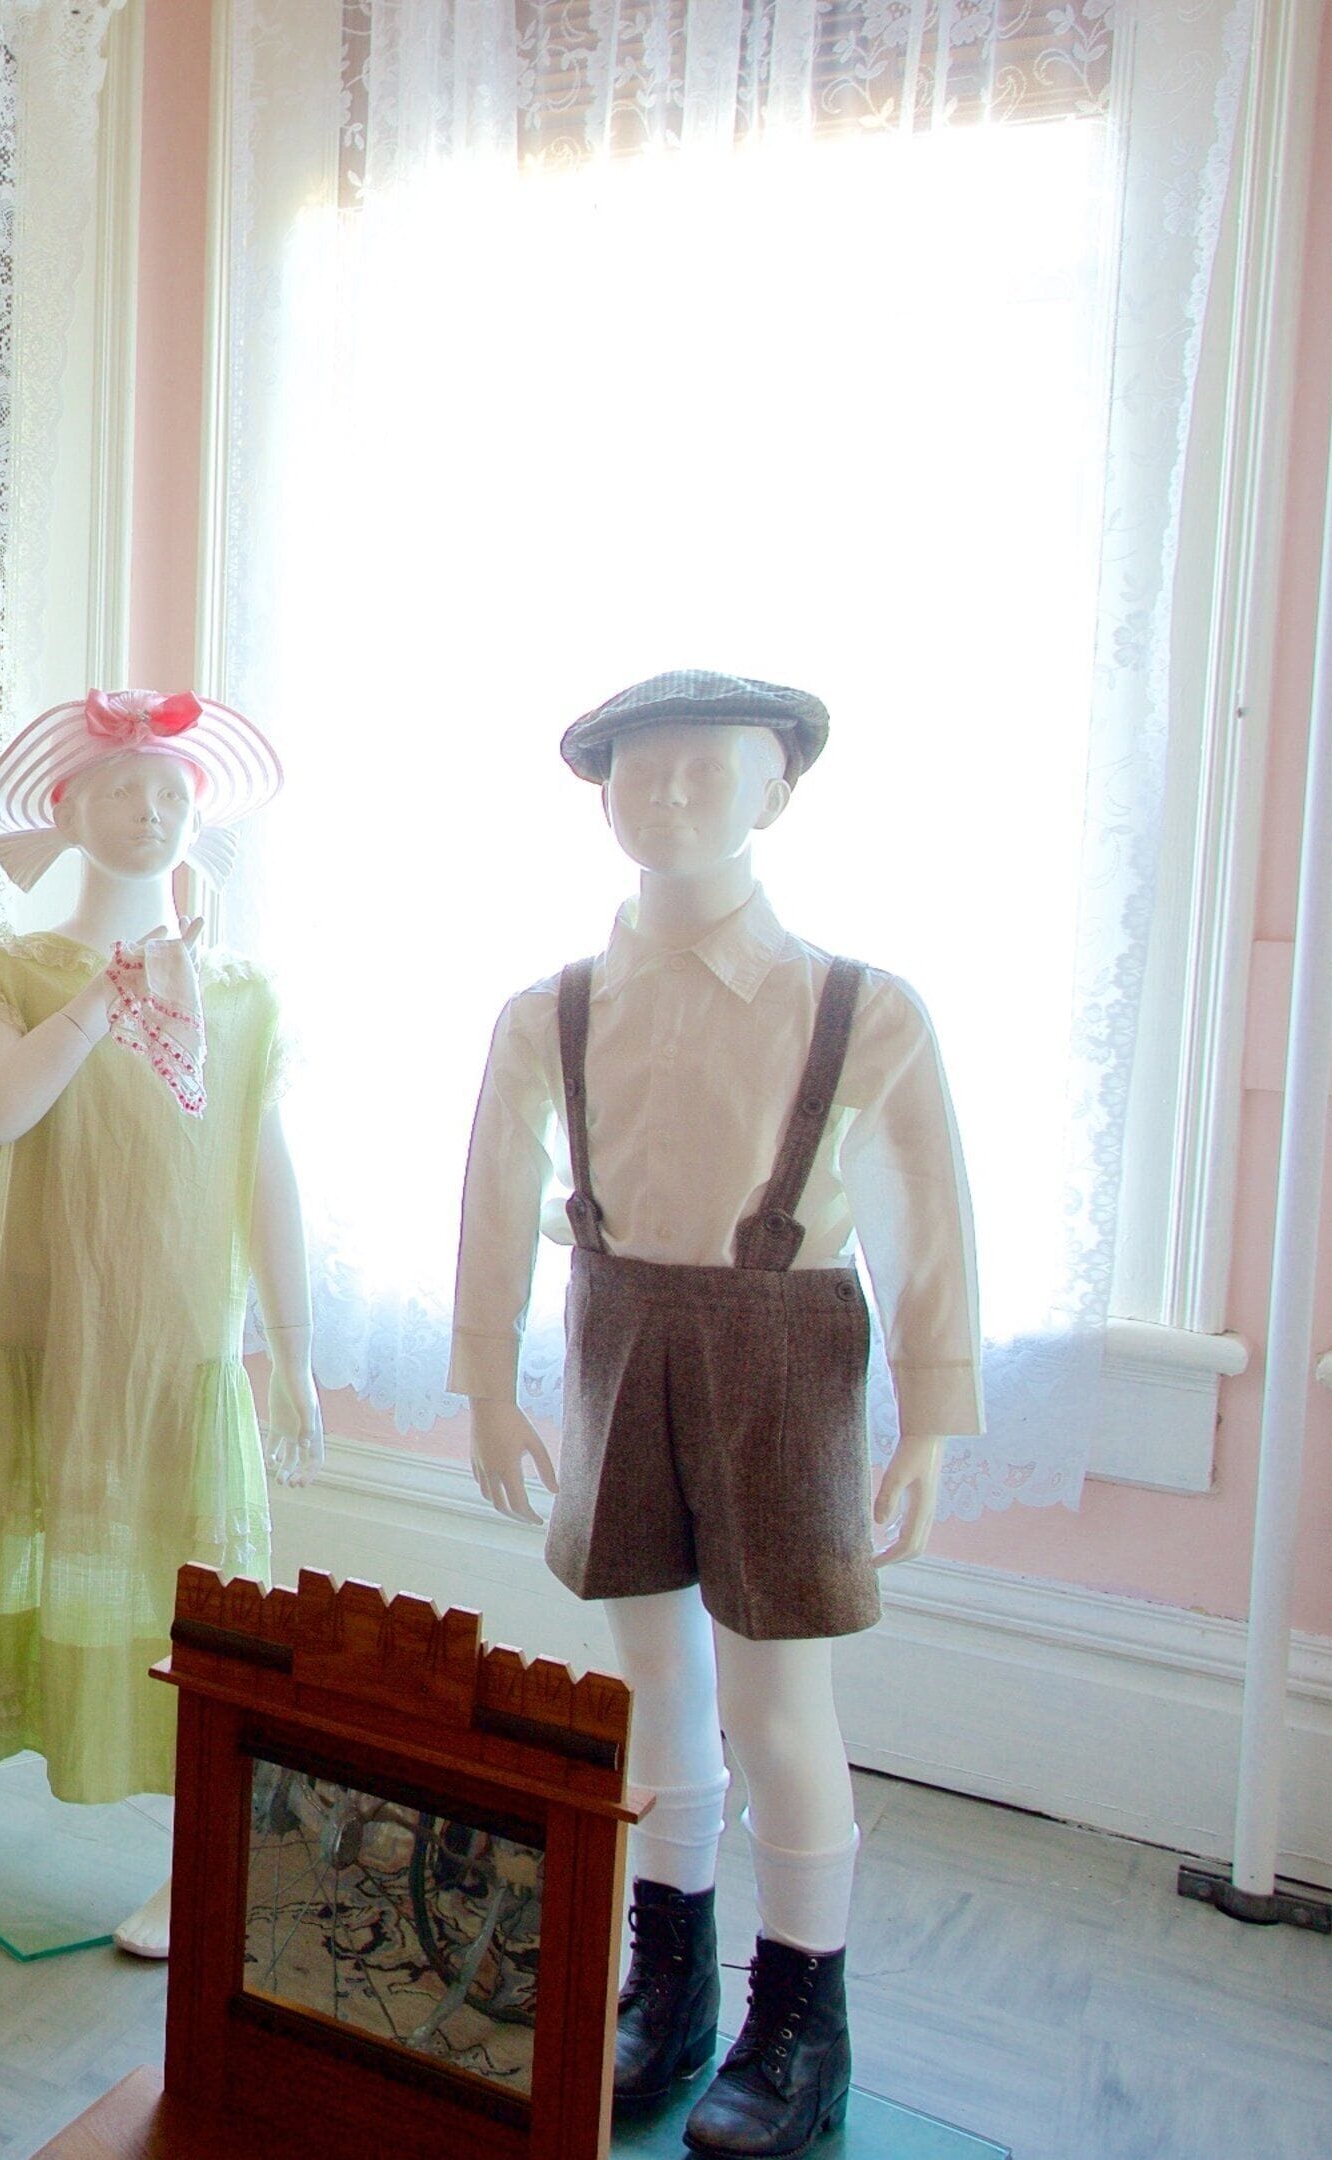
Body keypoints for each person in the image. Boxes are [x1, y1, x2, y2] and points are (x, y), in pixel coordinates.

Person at [453, 669, 977, 2156]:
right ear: (602, 794)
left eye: (709, 769)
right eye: (641, 770)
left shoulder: (861, 1009)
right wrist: (487, 1383)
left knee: (775, 1694)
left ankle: (802, 2016)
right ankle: (667, 1982)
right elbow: (494, 1201)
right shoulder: (545, 1011)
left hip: (783, 1352)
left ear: (779, 791)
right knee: (648, 1684)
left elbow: (929, 1223)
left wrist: (931, 1419)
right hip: (618, 1339)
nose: (671, 794)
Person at [0, 689, 321, 1958]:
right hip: (45, 1317)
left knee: (186, 1582)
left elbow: (265, 1169)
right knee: (4, 1537)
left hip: (178, 1334)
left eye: (173, 795)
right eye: (122, 791)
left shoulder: (242, 996)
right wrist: (101, 1001)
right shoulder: (11, 971)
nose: (151, 813)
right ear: (66, 810)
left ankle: (197, 1833)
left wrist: (294, 1357)